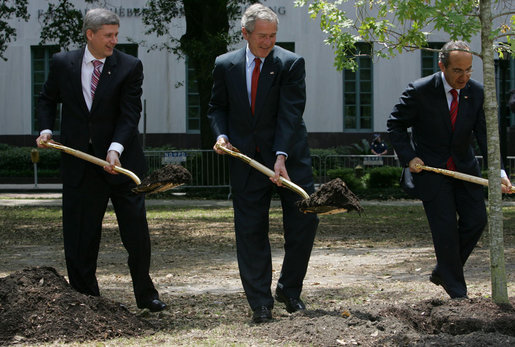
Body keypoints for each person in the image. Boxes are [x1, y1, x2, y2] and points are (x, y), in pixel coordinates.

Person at [35, 8, 166, 312]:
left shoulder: (130, 66)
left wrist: (116, 148)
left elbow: (130, 112)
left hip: (122, 163)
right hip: (81, 164)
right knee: (81, 234)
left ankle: (146, 295)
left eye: (116, 34)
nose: (114, 41)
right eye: (108, 35)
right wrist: (45, 128)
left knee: (136, 235)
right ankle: (85, 298)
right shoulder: (62, 63)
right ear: (90, 34)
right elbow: (47, 99)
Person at [208, 3, 319, 323]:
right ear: (245, 33)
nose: (268, 42)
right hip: (245, 161)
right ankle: (260, 302)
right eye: (261, 36)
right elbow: (217, 108)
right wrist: (221, 135)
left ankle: (289, 288)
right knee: (250, 231)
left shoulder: (290, 63)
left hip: (290, 158)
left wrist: (281, 155)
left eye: (272, 36)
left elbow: (290, 113)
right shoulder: (225, 65)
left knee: (304, 222)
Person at [387, 41, 512, 299]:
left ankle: (445, 269)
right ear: (442, 65)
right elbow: (395, 125)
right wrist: (409, 157)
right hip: (432, 173)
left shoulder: (476, 92)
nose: (463, 77)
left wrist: (498, 172)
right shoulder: (420, 91)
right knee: (445, 230)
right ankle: (458, 294)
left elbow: (486, 135)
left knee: (477, 221)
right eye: (457, 70)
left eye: (469, 70)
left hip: (466, 171)